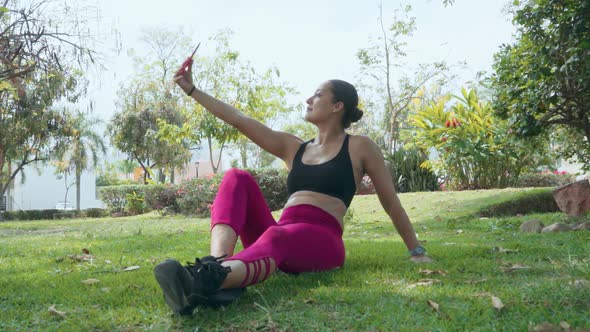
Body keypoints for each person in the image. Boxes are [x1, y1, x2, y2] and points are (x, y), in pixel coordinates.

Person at [153, 55, 432, 316]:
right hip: (282, 234)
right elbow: (239, 120)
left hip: (322, 241)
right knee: (236, 177)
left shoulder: (360, 147)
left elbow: (390, 201)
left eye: (318, 95)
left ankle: (204, 282)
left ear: (338, 106)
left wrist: (416, 251)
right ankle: (214, 267)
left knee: (276, 237)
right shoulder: (293, 147)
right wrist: (192, 90)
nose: (309, 99)